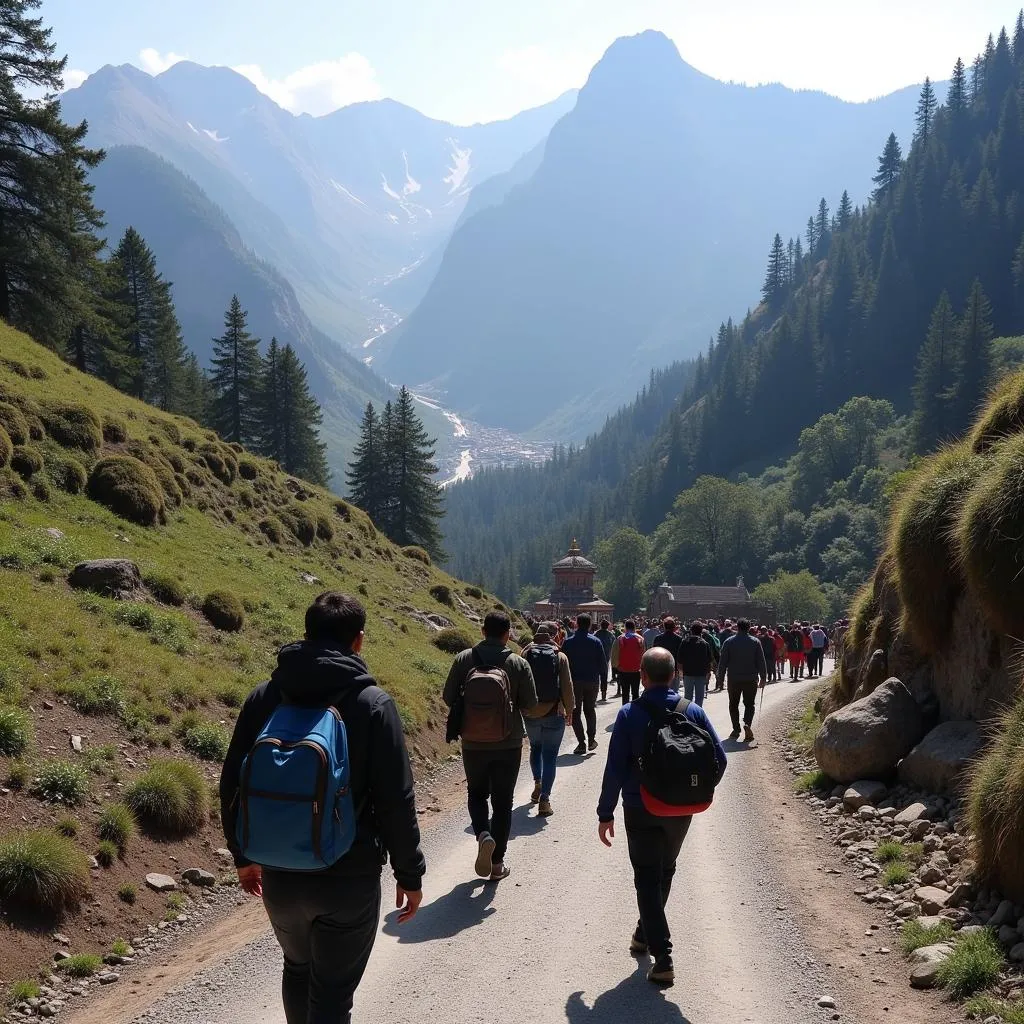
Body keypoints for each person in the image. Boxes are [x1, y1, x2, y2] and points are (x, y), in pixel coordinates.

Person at [219, 592, 425, 1024]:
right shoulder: (373, 705)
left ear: (307, 633)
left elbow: (232, 782)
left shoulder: (265, 696)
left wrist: (243, 856)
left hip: (279, 869)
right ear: (359, 641)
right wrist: (409, 874)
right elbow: (395, 800)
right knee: (332, 993)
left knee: (297, 969)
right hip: (348, 874)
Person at [596, 648, 727, 985]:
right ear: (675, 675)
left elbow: (614, 768)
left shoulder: (629, 714)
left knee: (645, 877)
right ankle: (644, 934)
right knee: (664, 870)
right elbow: (720, 760)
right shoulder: (693, 711)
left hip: (640, 805)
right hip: (682, 809)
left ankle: (663, 956)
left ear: (642, 675)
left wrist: (605, 811)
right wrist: (696, 790)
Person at [443, 610, 538, 881]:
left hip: (473, 742)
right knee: (503, 802)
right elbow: (530, 705)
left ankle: (483, 834)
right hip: (508, 743)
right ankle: (497, 865)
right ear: (508, 634)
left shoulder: (464, 659)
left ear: (483, 631)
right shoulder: (518, 663)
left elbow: (449, 696)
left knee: (476, 794)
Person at [520, 621, 575, 817]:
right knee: (550, 756)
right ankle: (545, 799)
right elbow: (567, 686)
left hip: (531, 712)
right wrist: (570, 710)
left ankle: (537, 783)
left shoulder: (525, 654)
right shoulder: (560, 656)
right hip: (554, 712)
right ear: (552, 637)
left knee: (535, 748)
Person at [562, 613, 608, 754]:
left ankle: (581, 742)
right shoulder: (595, 642)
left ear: (576, 623)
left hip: (574, 682)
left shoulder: (568, 642)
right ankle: (592, 739)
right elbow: (603, 664)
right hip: (592, 681)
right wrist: (604, 684)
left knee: (576, 712)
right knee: (590, 710)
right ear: (589, 624)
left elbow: (562, 665)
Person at [715, 618, 768, 742]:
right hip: (751, 679)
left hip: (734, 679)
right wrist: (763, 677)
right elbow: (761, 661)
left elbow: (723, 662)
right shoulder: (755, 642)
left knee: (733, 704)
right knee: (749, 704)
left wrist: (720, 678)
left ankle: (736, 729)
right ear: (749, 628)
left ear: (737, 627)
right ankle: (747, 724)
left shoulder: (729, 642)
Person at [677, 621, 715, 706]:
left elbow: (679, 660)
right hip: (701, 674)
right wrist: (708, 673)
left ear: (691, 630)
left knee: (687, 697)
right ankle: (698, 715)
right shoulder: (705, 644)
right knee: (699, 697)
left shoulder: (684, 642)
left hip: (688, 674)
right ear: (701, 631)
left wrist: (680, 673)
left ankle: (688, 715)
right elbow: (709, 661)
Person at [611, 619, 645, 705]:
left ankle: (625, 711)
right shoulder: (640, 639)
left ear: (625, 627)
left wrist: (616, 666)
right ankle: (635, 711)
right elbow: (644, 654)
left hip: (623, 670)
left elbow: (614, 654)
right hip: (636, 671)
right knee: (635, 693)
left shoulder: (620, 639)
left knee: (625, 694)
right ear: (634, 627)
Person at [595, 618, 616, 702]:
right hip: (606, 659)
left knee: (596, 677)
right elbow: (613, 646)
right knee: (604, 677)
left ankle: (595, 694)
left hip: (596, 659)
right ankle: (603, 694)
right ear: (607, 626)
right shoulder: (611, 635)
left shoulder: (596, 634)